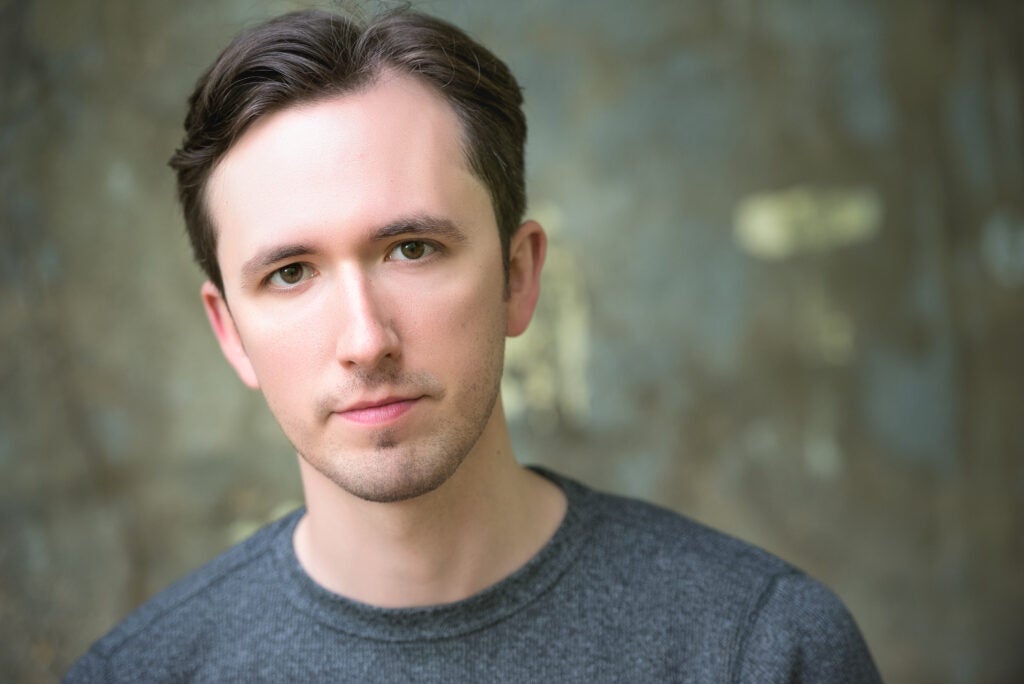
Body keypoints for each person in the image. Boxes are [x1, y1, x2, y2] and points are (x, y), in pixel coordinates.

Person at [66, 8, 883, 682]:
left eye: (411, 249)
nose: (365, 341)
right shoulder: (137, 674)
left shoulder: (763, 649)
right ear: (230, 333)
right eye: (290, 273)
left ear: (517, 277)